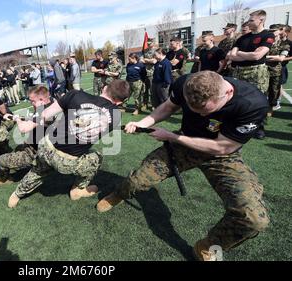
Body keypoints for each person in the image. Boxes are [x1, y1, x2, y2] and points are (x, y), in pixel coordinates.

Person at [97, 71, 269, 261]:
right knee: (136, 181)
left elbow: (222, 147)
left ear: (227, 94)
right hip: (183, 146)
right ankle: (119, 194)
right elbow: (168, 107)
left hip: (221, 154)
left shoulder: (252, 103)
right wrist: (142, 123)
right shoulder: (186, 83)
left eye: (205, 110)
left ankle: (207, 247)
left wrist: (172, 137)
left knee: (253, 219)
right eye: (194, 110)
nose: (201, 115)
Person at [6, 80, 130, 208]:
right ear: (119, 102)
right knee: (96, 157)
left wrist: (29, 123)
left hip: (45, 147)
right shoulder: (116, 116)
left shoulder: (75, 94)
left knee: (37, 170)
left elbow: (45, 114)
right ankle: (78, 190)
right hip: (66, 162)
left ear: (104, 88)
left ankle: (17, 194)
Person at [0, 85, 54, 186]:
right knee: (19, 148)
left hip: (38, 152)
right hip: (45, 145)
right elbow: (37, 121)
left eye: (32, 101)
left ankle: (3, 179)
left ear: (41, 99)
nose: (31, 103)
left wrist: (17, 119)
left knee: (1, 160)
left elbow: (23, 129)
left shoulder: (42, 111)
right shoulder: (53, 104)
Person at [227, 9, 275, 139]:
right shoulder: (242, 38)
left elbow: (257, 55)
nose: (249, 22)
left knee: (259, 100)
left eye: (252, 20)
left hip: (257, 72)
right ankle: (241, 124)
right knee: (239, 98)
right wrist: (246, 55)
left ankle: (259, 128)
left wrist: (240, 54)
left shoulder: (267, 36)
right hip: (240, 72)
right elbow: (230, 55)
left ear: (261, 20)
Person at [266, 24, 290, 116]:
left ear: (280, 31)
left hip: (275, 71)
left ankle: (270, 108)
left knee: (274, 91)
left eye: (274, 31)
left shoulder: (284, 44)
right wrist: (274, 56)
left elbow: (281, 59)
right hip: (263, 70)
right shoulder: (267, 42)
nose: (272, 33)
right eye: (271, 31)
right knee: (262, 90)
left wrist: (265, 56)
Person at [279, 25, 292, 111]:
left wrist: (282, 59)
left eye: (281, 30)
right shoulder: (275, 41)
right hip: (270, 66)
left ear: (286, 32)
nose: (279, 31)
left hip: (281, 67)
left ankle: (277, 101)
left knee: (278, 85)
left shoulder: (290, 43)